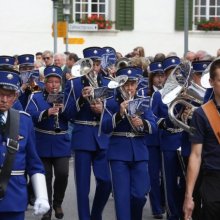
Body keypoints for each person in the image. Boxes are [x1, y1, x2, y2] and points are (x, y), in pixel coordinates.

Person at [101, 66, 157, 220]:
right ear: (120, 85)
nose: (129, 88)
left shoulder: (143, 101)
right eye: (126, 84)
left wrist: (143, 123)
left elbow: (154, 127)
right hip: (119, 151)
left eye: (132, 84)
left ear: (137, 85)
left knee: (139, 195)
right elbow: (104, 127)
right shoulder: (111, 102)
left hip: (139, 151)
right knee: (121, 197)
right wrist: (118, 114)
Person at [63, 46, 112, 220]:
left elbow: (115, 111)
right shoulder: (74, 83)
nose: (94, 68)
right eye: (90, 64)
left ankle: (96, 214)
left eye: (97, 64)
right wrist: (80, 99)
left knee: (106, 182)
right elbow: (67, 114)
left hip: (102, 136)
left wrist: (103, 109)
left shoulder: (108, 83)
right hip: (83, 135)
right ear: (84, 65)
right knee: (82, 188)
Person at [0, 67, 50, 220]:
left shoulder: (24, 120)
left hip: (14, 196)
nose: (4, 99)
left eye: (9, 95)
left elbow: (33, 162)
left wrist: (42, 195)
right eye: (1, 94)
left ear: (16, 96)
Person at [25, 65, 71, 220]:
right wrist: (46, 113)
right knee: (46, 177)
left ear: (60, 83)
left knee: (63, 173)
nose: (53, 85)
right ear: (45, 82)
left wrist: (64, 109)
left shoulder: (66, 96)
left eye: (56, 82)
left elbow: (74, 116)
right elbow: (29, 115)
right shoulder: (36, 96)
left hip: (61, 142)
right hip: (42, 141)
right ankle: (48, 210)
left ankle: (58, 202)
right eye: (50, 81)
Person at [183, 58, 220, 220]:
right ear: (211, 82)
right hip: (213, 179)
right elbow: (195, 156)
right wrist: (189, 196)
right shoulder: (202, 114)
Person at [152, 56, 184, 220]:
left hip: (185, 140)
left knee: (185, 181)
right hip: (169, 140)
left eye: (177, 73)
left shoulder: (186, 92)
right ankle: (173, 214)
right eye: (170, 73)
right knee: (170, 182)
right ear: (164, 76)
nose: (174, 76)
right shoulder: (158, 96)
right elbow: (152, 117)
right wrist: (163, 122)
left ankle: (185, 212)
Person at [147, 61, 166, 219]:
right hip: (152, 139)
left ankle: (164, 200)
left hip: (166, 138)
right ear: (151, 77)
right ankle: (156, 207)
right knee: (153, 174)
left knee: (166, 174)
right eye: (157, 76)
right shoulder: (145, 92)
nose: (160, 79)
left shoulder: (169, 92)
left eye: (162, 76)